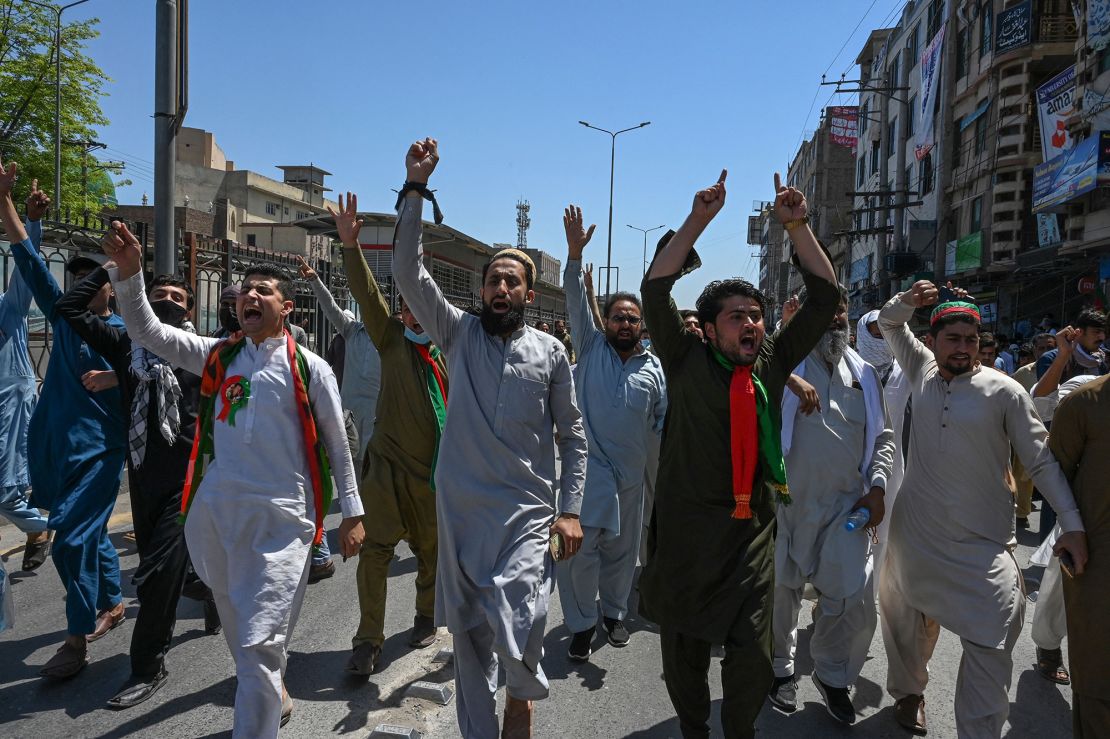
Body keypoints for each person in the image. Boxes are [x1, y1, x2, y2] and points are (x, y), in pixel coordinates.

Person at [101, 221, 365, 738]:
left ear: (286, 307)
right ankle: (271, 692)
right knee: (246, 637)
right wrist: (131, 279)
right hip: (218, 517)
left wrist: (352, 513)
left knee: (260, 642)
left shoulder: (310, 368)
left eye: (263, 290)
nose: (250, 295)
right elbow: (148, 332)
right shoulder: (218, 356)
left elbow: (337, 444)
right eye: (245, 290)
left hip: (283, 519)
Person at [391, 138, 587, 738]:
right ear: (481, 290)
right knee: (471, 644)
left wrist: (570, 510)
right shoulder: (457, 334)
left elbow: (573, 435)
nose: (502, 289)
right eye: (493, 280)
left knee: (519, 601)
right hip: (463, 514)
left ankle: (521, 689)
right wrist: (415, 189)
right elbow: (406, 270)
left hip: (528, 514)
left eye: (512, 281)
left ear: (529, 293)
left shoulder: (550, 351)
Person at [637, 169, 839, 739]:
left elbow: (825, 299)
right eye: (737, 317)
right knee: (685, 659)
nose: (752, 324)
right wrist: (700, 219)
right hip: (684, 535)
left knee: (752, 656)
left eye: (757, 316)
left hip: (748, 534)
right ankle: (695, 729)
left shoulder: (771, 361)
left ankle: (740, 731)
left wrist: (797, 226)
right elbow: (656, 289)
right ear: (706, 329)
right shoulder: (682, 357)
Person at [876, 283, 1088, 737]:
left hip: (981, 544)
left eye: (971, 340)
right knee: (905, 621)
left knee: (993, 635)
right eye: (953, 338)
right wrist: (911, 299)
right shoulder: (920, 368)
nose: (964, 348)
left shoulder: (1005, 391)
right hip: (916, 536)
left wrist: (1071, 524)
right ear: (932, 341)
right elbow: (888, 322)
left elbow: (1040, 460)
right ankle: (910, 694)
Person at [55, 264, 217, 708]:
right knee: (165, 570)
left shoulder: (202, 351)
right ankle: (208, 590)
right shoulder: (126, 344)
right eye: (157, 293)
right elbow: (68, 306)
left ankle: (147, 667)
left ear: (190, 311)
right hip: (143, 475)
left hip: (189, 478)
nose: (166, 300)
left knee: (154, 576)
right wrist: (111, 271)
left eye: (177, 298)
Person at [0, 157, 129, 678]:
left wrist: (117, 378)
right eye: (71, 282)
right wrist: (5, 202)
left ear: (109, 289)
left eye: (89, 281)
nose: (77, 288)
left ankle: (75, 640)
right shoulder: (68, 319)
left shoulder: (126, 331)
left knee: (71, 539)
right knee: (90, 535)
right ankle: (114, 600)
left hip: (99, 453)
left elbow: (163, 373)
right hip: (54, 448)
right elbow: (29, 264)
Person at [327, 193, 447, 675]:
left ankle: (425, 616)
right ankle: (367, 640)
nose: (412, 312)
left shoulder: (450, 352)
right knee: (375, 554)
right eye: (407, 306)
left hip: (432, 480)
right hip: (386, 473)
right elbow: (367, 297)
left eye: (422, 305)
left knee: (432, 556)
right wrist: (350, 248)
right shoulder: (390, 338)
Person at [770, 288, 894, 725]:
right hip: (786, 503)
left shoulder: (865, 374)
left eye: (839, 308)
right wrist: (785, 369)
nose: (833, 317)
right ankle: (780, 670)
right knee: (781, 593)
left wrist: (877, 487)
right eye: (821, 308)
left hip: (846, 508)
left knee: (851, 599)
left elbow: (883, 437)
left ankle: (832, 674)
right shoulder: (781, 365)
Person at [557, 205, 666, 661]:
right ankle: (581, 625)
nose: (625, 323)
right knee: (580, 555)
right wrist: (574, 256)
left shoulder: (653, 368)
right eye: (617, 316)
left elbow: (661, 420)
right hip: (589, 477)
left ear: (642, 326)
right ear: (607, 322)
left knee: (622, 555)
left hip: (629, 481)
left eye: (632, 318)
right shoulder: (591, 346)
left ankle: (614, 615)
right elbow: (575, 302)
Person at [296, 256, 384, 584]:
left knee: (375, 478)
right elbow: (331, 308)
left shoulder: (391, 337)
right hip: (350, 421)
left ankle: (380, 527)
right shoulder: (353, 331)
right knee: (354, 476)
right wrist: (315, 281)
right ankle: (361, 524)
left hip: (379, 422)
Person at [1047, 374, 1110, 737]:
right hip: (1098, 564)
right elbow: (1053, 476)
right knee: (1099, 677)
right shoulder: (1085, 404)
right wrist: (1071, 532)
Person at [0, 180, 52, 570]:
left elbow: (27, 269)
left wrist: (31, 221)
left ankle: (47, 526)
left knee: (7, 493)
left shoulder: (9, 310)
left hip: (11, 410)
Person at [853, 309, 912, 583]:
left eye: (888, 329)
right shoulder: (846, 367)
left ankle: (867, 596)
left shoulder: (906, 371)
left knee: (881, 534)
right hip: (847, 464)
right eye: (877, 330)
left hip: (889, 467)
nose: (882, 335)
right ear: (863, 332)